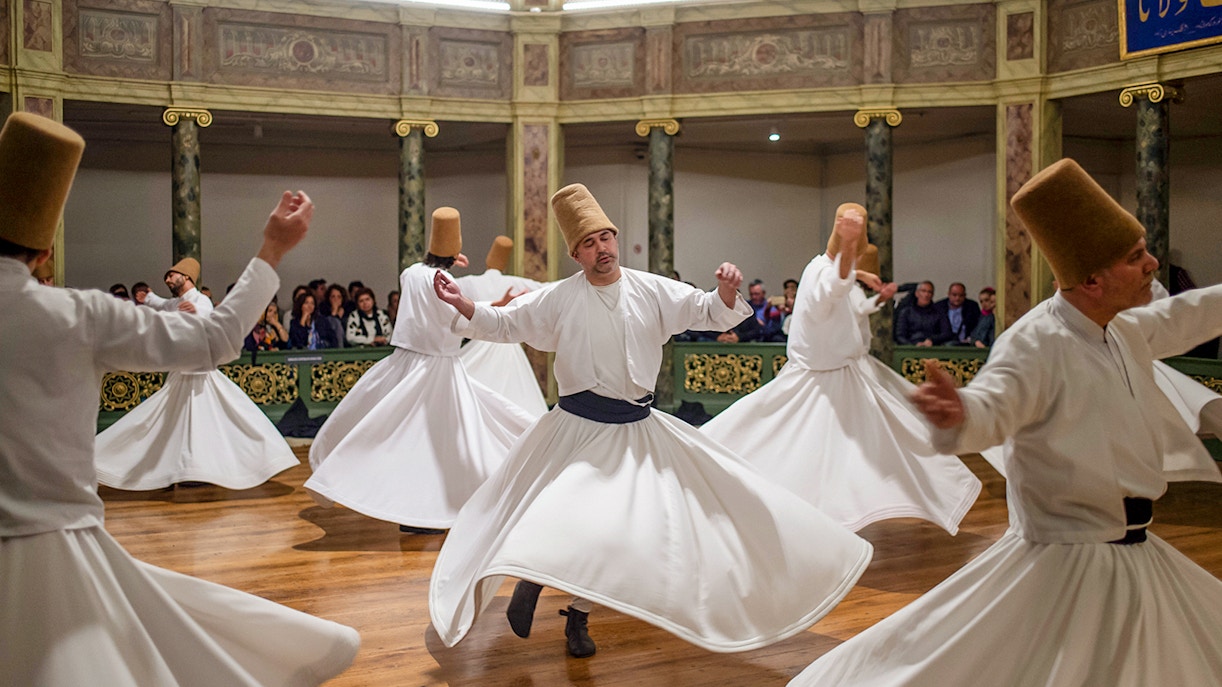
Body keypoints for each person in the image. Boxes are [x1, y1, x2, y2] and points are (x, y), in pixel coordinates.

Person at [790, 158, 1222, 686]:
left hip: (1138, 553)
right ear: (1092, 280)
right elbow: (991, 410)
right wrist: (958, 415)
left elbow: (1186, 316)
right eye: (1135, 257)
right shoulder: (1036, 342)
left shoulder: (1122, 325)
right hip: (1067, 562)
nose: (1153, 263)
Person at [429, 183, 872, 659]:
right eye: (589, 243)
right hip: (575, 426)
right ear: (576, 254)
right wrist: (464, 306)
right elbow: (508, 323)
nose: (602, 249)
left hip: (635, 429)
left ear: (615, 240)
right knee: (565, 510)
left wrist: (724, 292)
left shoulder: (650, 288)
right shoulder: (559, 298)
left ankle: (575, 614)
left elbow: (704, 309)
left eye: (606, 238)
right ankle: (533, 576)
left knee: (619, 531)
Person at [0, 112, 357, 685]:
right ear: (43, 251)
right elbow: (215, 340)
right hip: (56, 548)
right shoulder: (73, 315)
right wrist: (271, 248)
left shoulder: (90, 312)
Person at [702, 203, 981, 534]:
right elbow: (830, 289)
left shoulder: (832, 272)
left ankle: (836, 514)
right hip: (818, 384)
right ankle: (802, 516)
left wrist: (873, 290)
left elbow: (855, 305)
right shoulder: (821, 272)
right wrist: (849, 250)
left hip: (843, 378)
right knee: (789, 447)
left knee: (875, 445)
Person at [304, 208, 535, 532]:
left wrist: (446, 258)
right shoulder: (445, 280)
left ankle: (406, 505)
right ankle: (432, 508)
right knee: (449, 439)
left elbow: (427, 286)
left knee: (397, 433)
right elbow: (458, 319)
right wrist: (497, 305)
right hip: (437, 368)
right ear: (455, 251)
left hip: (406, 361)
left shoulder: (410, 272)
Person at [94, 252, 299, 491]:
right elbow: (161, 304)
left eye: (172, 276)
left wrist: (195, 315)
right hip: (183, 374)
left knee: (219, 419)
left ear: (186, 276)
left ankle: (220, 464)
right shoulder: (175, 303)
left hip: (200, 375)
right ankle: (180, 467)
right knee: (176, 423)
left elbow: (210, 321)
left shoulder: (201, 301)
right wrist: (147, 296)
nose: (168, 280)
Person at [455, 235, 549, 418]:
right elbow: (546, 288)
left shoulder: (469, 282)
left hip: (482, 343)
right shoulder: (514, 283)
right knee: (516, 396)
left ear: (489, 258)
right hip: (506, 344)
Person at [895, 280, 952, 345]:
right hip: (911, 347)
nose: (926, 295)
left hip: (934, 348)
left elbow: (947, 333)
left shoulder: (940, 312)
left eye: (929, 292)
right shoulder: (906, 312)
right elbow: (900, 336)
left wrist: (932, 340)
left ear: (932, 295)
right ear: (917, 293)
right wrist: (912, 345)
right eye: (923, 291)